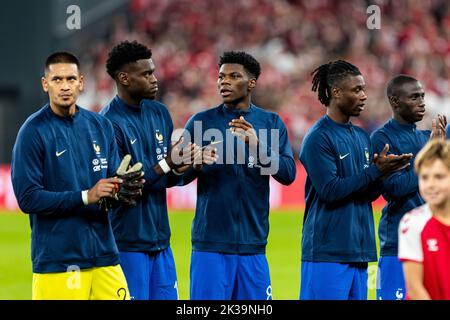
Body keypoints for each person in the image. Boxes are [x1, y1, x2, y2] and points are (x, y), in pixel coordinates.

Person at [11, 52, 143, 300]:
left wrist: (120, 190)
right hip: (60, 263)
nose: (64, 86)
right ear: (45, 84)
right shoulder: (32, 132)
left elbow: (111, 183)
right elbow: (28, 198)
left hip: (105, 257)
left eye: (70, 79)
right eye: (57, 80)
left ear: (81, 82)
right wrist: (85, 196)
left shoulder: (100, 126)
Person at [179, 51, 296, 300]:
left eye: (234, 76)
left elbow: (288, 174)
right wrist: (194, 165)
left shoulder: (271, 123)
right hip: (209, 245)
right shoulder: (200, 122)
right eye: (221, 77)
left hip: (253, 247)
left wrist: (257, 146)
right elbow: (176, 177)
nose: (224, 82)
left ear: (251, 83)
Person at [299, 60, 413, 300]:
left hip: (360, 253)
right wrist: (374, 172)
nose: (364, 96)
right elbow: (330, 190)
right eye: (357, 90)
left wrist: (385, 172)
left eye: (364, 90)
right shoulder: (318, 138)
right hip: (327, 254)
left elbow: (366, 194)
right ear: (336, 92)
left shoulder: (361, 136)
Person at [100, 41, 201, 300]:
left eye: (153, 72)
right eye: (146, 74)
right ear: (124, 78)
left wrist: (189, 166)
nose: (155, 79)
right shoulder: (108, 123)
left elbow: (164, 178)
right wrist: (168, 163)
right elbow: (125, 185)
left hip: (161, 243)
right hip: (128, 244)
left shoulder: (159, 113)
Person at [370, 75, 447, 300]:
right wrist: (429, 155)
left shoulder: (427, 137)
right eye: (414, 97)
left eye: (422, 96)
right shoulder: (382, 138)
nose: (422, 102)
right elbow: (394, 189)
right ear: (395, 101)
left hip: (433, 241)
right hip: (397, 244)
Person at [399, 139, 450, 300]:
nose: (430, 184)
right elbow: (415, 289)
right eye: (424, 177)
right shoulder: (413, 223)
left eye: (439, 177)